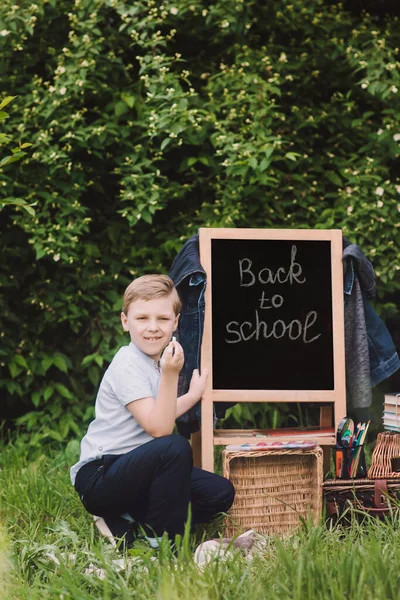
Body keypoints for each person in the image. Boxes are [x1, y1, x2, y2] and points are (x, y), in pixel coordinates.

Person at [70, 274, 235, 549]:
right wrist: (172, 375)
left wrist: (192, 395)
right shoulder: (127, 363)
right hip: (101, 477)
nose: (153, 328)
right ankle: (160, 542)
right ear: (126, 322)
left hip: (140, 472)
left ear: (176, 322)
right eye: (142, 318)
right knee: (174, 447)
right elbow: (159, 428)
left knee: (219, 494)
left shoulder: (156, 361)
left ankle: (128, 521)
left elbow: (160, 412)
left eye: (162, 319)